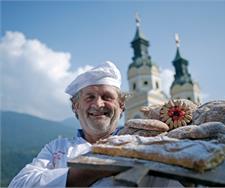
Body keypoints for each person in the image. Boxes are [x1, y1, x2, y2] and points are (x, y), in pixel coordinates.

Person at [9, 61, 183, 187]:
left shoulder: (144, 144)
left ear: (121, 106)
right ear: (75, 107)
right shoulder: (56, 148)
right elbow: (19, 184)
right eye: (90, 97)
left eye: (107, 97)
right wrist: (91, 171)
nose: (99, 104)